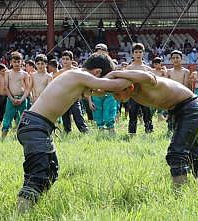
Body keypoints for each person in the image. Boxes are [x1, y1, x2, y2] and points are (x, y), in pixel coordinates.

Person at [16, 53, 132, 212]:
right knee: (38, 174)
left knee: (51, 170)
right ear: (97, 72)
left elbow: (98, 91)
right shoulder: (78, 75)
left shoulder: (77, 80)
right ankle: (20, 213)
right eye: (102, 76)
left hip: (39, 127)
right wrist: (136, 77)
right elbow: (113, 86)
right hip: (35, 126)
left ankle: (32, 208)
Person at [106, 69, 198, 186]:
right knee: (193, 152)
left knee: (176, 153)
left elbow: (148, 76)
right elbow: (98, 89)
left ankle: (180, 193)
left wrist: (115, 73)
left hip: (190, 107)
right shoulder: (133, 92)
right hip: (179, 110)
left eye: (116, 93)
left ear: (129, 87)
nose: (115, 97)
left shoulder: (146, 83)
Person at [55, 50, 89, 134]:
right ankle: (67, 133)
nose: (65, 61)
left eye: (67, 59)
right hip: (63, 98)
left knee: (78, 116)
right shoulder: (59, 73)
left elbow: (83, 82)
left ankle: (85, 132)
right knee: (65, 117)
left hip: (74, 97)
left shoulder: (77, 71)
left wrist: (82, 93)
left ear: (71, 60)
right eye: (63, 59)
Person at [126, 43, 154, 134]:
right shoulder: (128, 68)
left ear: (143, 53)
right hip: (133, 95)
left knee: (147, 115)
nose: (138, 54)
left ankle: (149, 132)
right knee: (132, 115)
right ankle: (132, 133)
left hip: (145, 95)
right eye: (136, 52)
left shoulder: (148, 69)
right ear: (132, 54)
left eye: (140, 52)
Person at [1, 51, 30, 140]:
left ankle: (22, 138)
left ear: (21, 62)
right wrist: (11, 98)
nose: (16, 64)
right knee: (7, 119)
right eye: (14, 62)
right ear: (11, 62)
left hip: (22, 99)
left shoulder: (24, 74)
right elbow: (6, 87)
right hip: (11, 99)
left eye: (18, 61)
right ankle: (2, 139)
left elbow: (28, 89)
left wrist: (21, 99)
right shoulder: (8, 73)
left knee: (22, 119)